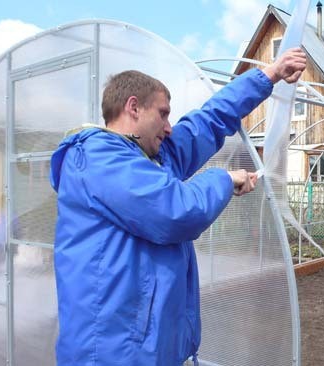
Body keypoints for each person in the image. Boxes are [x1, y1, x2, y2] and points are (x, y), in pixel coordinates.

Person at [49, 47, 306, 365]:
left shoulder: (152, 159)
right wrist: (224, 180)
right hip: (110, 354)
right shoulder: (97, 158)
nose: (170, 126)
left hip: (148, 349)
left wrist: (270, 74)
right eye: (163, 113)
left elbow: (209, 121)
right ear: (133, 108)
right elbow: (176, 212)